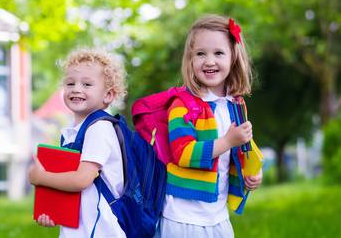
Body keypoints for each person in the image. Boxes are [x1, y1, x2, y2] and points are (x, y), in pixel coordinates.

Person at [154, 14, 263, 238]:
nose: (209, 61)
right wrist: (226, 142)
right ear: (190, 60)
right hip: (183, 218)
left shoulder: (235, 103)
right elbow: (183, 153)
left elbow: (242, 145)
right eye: (200, 53)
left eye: (218, 53)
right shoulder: (182, 104)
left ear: (233, 57)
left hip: (218, 216)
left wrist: (252, 171)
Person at [28, 48, 127, 238]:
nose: (76, 88)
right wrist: (53, 211)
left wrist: (41, 177)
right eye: (70, 83)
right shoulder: (75, 132)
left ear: (108, 95)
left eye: (87, 84)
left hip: (100, 230)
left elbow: (82, 179)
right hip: (81, 228)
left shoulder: (99, 128)